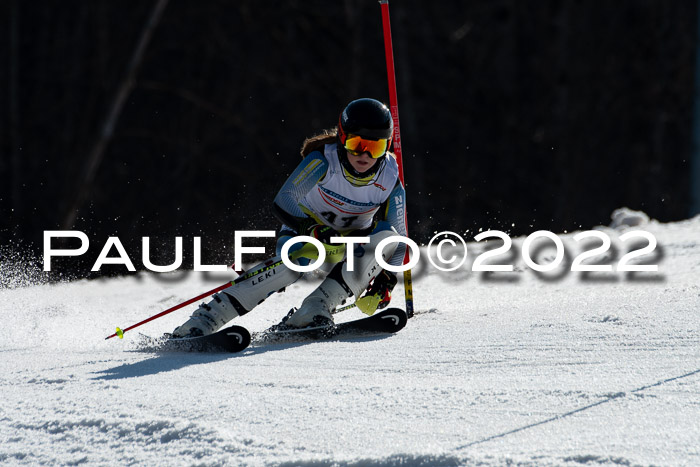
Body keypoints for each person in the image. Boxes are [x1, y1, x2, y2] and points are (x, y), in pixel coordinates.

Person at [172, 98, 407, 337]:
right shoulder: (325, 160)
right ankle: (206, 318)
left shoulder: (390, 178)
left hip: (348, 247)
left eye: (375, 147)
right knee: (294, 263)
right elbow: (285, 199)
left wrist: (388, 276)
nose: (364, 154)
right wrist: (312, 228)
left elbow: (399, 238)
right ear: (342, 138)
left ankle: (315, 308)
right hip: (305, 236)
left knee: (388, 237)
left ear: (386, 146)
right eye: (356, 143)